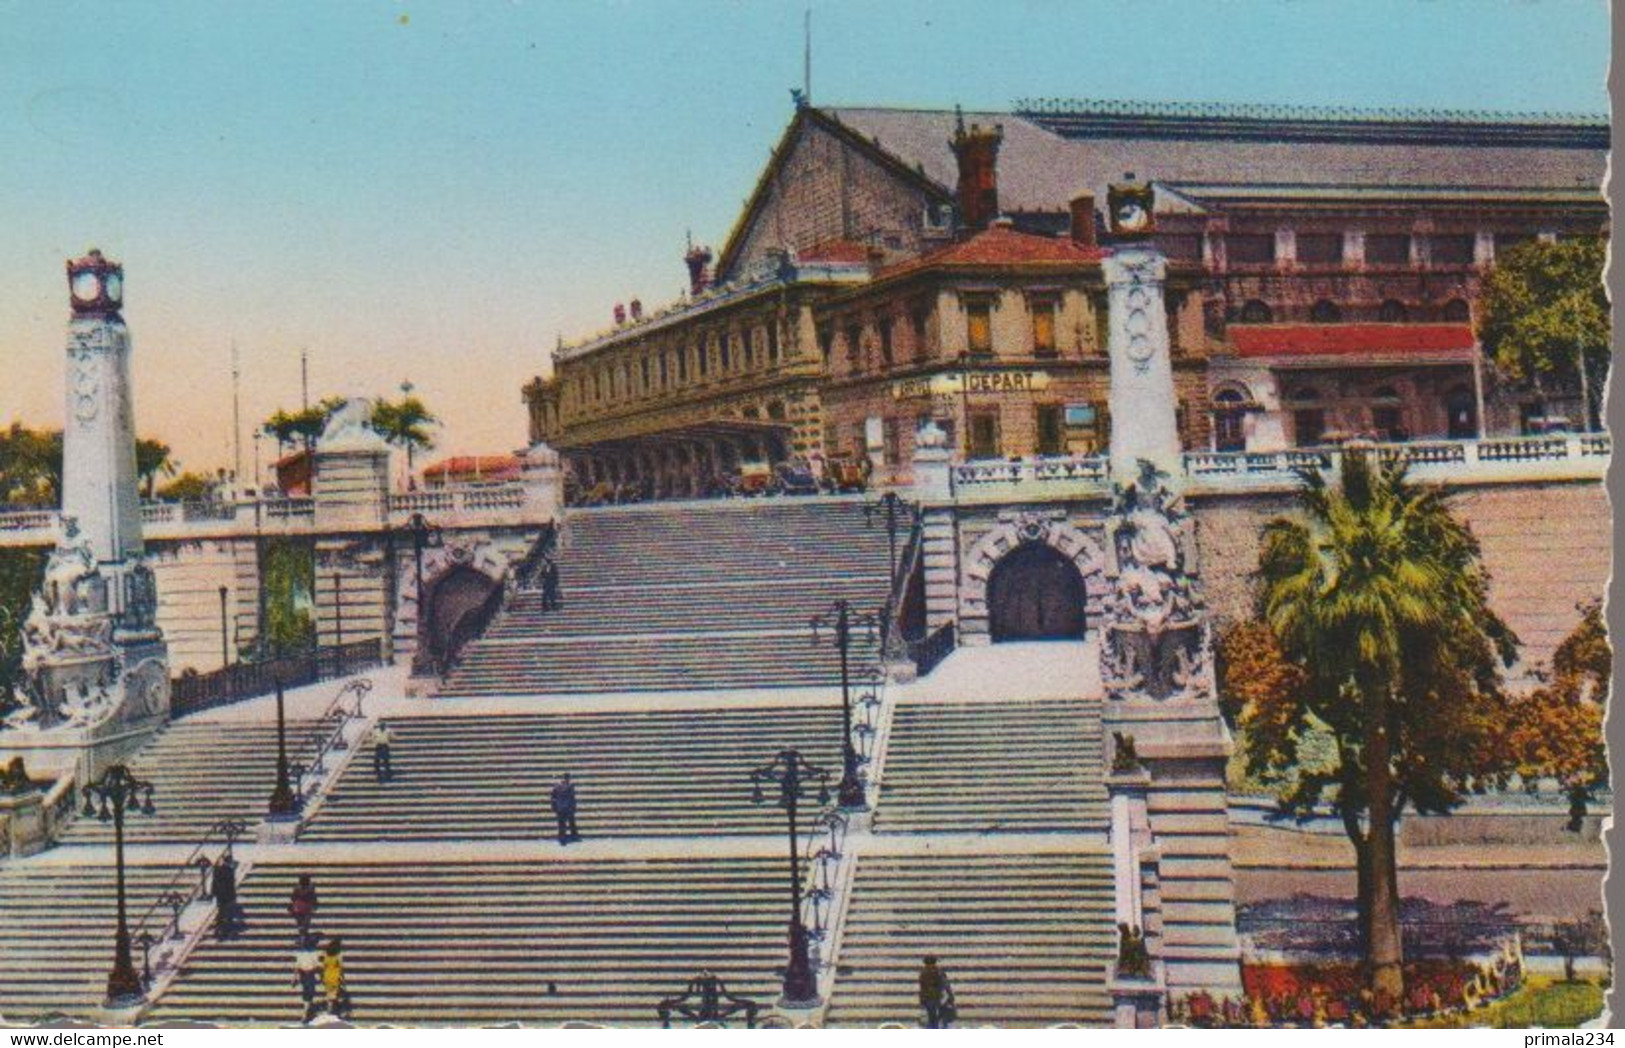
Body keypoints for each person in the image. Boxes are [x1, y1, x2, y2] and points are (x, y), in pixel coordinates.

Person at [293, 934, 322, 1023]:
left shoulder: (301, 953)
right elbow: (317, 966)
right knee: (309, 993)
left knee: (306, 993)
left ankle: (306, 1012)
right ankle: (306, 1013)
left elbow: (297, 966)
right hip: (309, 974)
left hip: (304, 974)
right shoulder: (314, 953)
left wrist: (295, 977)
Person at [322, 937, 351, 1019]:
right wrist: (343, 979)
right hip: (335, 976)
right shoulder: (338, 956)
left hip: (327, 976)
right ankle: (335, 1012)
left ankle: (329, 1011)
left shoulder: (326, 955)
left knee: (329, 994)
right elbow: (341, 969)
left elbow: (323, 966)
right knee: (336, 994)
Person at [918, 955, 947, 1028]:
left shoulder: (923, 972)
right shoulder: (938, 972)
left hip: (927, 997)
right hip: (936, 997)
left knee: (931, 1016)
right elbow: (943, 984)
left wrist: (922, 999)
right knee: (936, 1016)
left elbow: (922, 986)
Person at [550, 773, 580, 844]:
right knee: (571, 822)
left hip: (560, 807)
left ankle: (562, 837)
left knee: (562, 824)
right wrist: (574, 807)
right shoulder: (570, 786)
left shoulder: (557, 786)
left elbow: (553, 797)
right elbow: (572, 798)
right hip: (568, 807)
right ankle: (573, 836)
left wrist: (554, 807)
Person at [288, 874, 319, 942]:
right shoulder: (310, 888)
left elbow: (293, 898)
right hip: (306, 908)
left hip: (299, 908)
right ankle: (303, 937)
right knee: (305, 923)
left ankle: (302, 937)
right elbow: (314, 898)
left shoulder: (297, 888)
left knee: (301, 923)